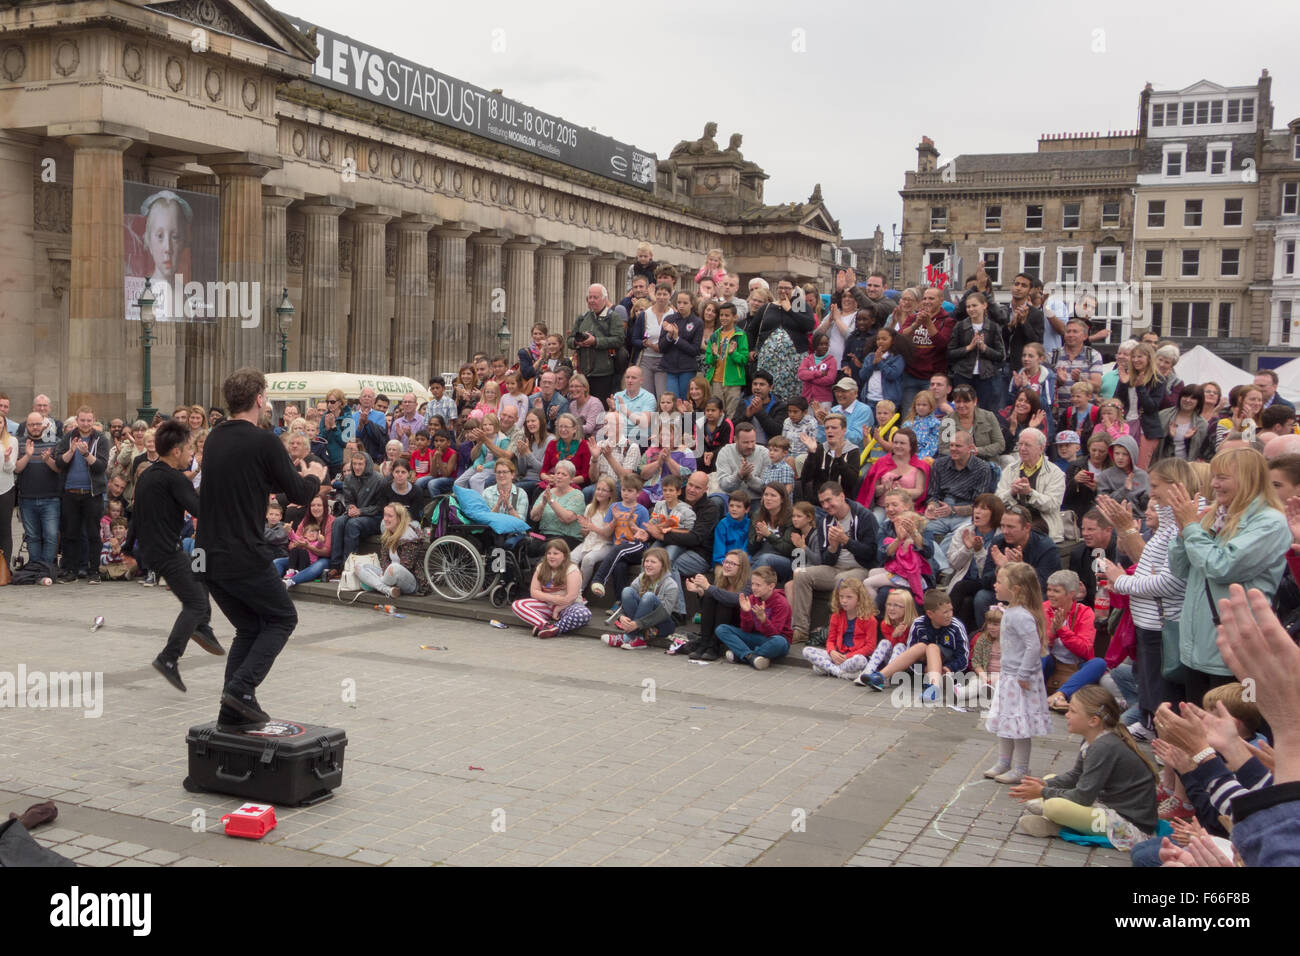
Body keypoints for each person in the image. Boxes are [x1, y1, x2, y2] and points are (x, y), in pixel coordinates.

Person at [197, 368, 326, 727]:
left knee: (250, 628)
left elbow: (252, 481)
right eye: (266, 396)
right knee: (283, 618)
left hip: (207, 556)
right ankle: (241, 690)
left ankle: (231, 713)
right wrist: (316, 473)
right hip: (242, 554)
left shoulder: (215, 438)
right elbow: (300, 495)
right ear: (258, 400)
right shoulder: (264, 441)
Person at [1167, 447, 1291, 705]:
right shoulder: (1215, 514)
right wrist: (1182, 533)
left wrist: (1191, 528)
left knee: (1231, 734)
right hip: (1197, 649)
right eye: (1213, 476)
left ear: (1247, 478)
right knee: (1202, 735)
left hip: (1234, 655)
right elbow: (1181, 570)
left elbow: (1221, 567)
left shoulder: (1270, 522)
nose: (1214, 484)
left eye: (1222, 477)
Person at [128, 419, 222, 690]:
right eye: (189, 450)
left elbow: (136, 515)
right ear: (176, 451)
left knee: (200, 575)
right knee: (195, 604)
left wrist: (128, 548)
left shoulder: (148, 474)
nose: (191, 455)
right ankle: (169, 658)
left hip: (155, 551)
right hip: (166, 552)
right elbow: (199, 509)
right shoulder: (173, 478)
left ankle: (202, 627)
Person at [1011, 686, 1159, 847]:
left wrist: (1042, 792)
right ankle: (1061, 821)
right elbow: (1076, 776)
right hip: (1107, 806)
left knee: (1054, 806)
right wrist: (1044, 784)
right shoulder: (1094, 739)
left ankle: (1059, 825)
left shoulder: (1103, 746)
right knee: (1049, 779)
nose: (1066, 715)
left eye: (1073, 711)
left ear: (1093, 721)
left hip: (1129, 826)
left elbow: (1083, 796)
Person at [980, 562, 1053, 782]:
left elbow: (1033, 646)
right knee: (1006, 720)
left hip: (1020, 678)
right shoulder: (1009, 611)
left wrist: (1023, 674)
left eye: (1000, 582)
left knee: (1020, 724)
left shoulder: (1021, 615)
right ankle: (1003, 761)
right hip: (1008, 675)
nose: (995, 585)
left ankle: (1021, 768)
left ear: (1016, 588)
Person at [787, 481, 879, 645]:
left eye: (829, 500)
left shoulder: (864, 516)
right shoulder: (825, 522)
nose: (826, 506)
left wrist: (846, 540)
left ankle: (834, 629)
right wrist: (833, 547)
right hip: (834, 567)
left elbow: (871, 553)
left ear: (842, 496)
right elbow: (826, 560)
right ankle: (800, 629)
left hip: (860, 568)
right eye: (822, 502)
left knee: (841, 580)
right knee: (800, 574)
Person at [861, 588, 969, 700]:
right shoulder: (919, 624)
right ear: (930, 614)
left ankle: (934, 688)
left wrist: (949, 668)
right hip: (926, 670)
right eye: (945, 612)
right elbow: (910, 653)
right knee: (921, 646)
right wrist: (923, 669)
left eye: (950, 610)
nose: (949, 615)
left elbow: (964, 658)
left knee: (932, 647)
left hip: (948, 671)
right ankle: (880, 677)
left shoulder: (956, 626)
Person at [972, 504, 1062, 632]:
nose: (1005, 531)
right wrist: (1000, 569)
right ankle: (989, 640)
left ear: (1026, 527)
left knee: (1043, 599)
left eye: (1010, 527)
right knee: (982, 597)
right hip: (1006, 591)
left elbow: (1044, 585)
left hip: (1030, 595)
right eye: (1002, 526)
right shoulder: (999, 542)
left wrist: (1021, 569)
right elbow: (985, 582)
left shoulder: (1046, 547)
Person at [511, 538, 592, 640]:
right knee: (518, 605)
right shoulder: (541, 567)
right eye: (549, 553)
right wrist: (553, 599)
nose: (551, 556)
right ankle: (545, 625)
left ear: (564, 556)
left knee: (584, 614)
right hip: (548, 604)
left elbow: (571, 597)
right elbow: (534, 592)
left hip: (568, 606)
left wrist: (557, 609)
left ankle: (555, 628)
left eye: (555, 553)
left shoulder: (572, 570)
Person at [996, 427, 1066, 542]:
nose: (1022, 449)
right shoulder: (1010, 469)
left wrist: (1030, 493)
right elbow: (998, 500)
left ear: (1041, 448)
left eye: (1027, 445)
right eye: (1020, 444)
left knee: (1022, 533)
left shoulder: (1055, 472)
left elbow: (1052, 504)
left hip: (1042, 520)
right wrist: (1011, 492)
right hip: (1012, 518)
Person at [716, 565, 792, 670]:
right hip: (755, 637)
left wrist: (764, 620)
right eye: (752, 584)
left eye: (758, 585)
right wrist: (746, 612)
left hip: (773, 640)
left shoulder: (781, 603)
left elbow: (774, 634)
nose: (754, 588)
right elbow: (746, 629)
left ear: (771, 586)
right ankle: (751, 657)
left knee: (779, 642)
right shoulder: (752, 599)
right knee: (722, 629)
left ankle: (742, 655)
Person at [679, 550, 750, 661]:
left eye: (732, 564)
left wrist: (708, 587)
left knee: (723, 600)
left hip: (739, 624)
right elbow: (709, 607)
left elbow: (736, 600)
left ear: (742, 568)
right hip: (720, 621)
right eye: (725, 562)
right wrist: (701, 592)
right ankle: (704, 643)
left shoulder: (748, 583)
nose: (727, 566)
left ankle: (714, 646)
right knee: (709, 596)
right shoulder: (722, 580)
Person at [602, 547, 678, 650]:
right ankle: (638, 638)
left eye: (653, 562)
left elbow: (664, 614)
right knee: (627, 591)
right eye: (647, 561)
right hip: (642, 624)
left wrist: (638, 623)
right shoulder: (641, 578)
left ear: (663, 565)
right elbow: (625, 603)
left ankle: (627, 637)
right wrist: (621, 616)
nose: (648, 564)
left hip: (661, 624)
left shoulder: (671, 585)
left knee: (648, 596)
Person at [588, 474, 649, 599]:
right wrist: (615, 521)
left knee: (619, 549)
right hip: (619, 549)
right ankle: (621, 601)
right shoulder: (614, 507)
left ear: (638, 493)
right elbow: (606, 533)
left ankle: (599, 579)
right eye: (624, 490)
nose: (626, 493)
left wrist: (634, 526)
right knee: (619, 565)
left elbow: (644, 536)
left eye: (630, 491)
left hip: (637, 548)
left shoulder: (642, 510)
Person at [328, 451, 386, 576]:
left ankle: (348, 565)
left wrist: (360, 511)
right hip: (355, 513)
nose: (357, 467)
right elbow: (348, 501)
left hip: (374, 517)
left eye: (360, 464)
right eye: (354, 464)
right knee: (337, 522)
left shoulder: (378, 479)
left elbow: (380, 507)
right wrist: (351, 507)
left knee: (352, 524)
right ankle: (335, 565)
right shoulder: (349, 479)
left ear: (367, 464)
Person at [897, 286, 954, 412]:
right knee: (909, 414)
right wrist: (915, 325)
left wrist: (928, 324)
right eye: (925, 298)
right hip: (910, 375)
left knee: (931, 414)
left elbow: (942, 345)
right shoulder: (913, 318)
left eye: (931, 298)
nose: (927, 301)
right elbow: (900, 338)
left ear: (941, 300)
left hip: (932, 378)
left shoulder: (947, 321)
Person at [947, 291, 1005, 412]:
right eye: (968, 306)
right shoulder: (960, 326)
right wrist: (969, 347)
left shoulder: (993, 327)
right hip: (963, 374)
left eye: (974, 305)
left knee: (986, 411)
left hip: (986, 376)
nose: (971, 309)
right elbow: (950, 353)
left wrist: (984, 348)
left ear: (984, 305)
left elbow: (1001, 356)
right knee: (962, 408)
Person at [571, 283, 627, 403]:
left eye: (595, 297)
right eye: (590, 297)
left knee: (601, 407)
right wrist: (577, 342)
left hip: (604, 372)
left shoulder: (613, 317)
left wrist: (596, 341)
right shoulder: (582, 318)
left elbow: (619, 340)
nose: (592, 300)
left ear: (604, 299)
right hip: (584, 372)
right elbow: (569, 340)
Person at [858, 427, 930, 517]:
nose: (897, 446)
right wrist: (883, 488)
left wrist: (903, 491)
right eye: (895, 442)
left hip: (908, 510)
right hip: (883, 507)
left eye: (902, 443)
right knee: (875, 521)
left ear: (911, 446)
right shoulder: (881, 462)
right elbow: (871, 491)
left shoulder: (921, 466)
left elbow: (920, 492)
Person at [355, 503, 423, 598]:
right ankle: (388, 590)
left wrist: (383, 576)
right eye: (385, 515)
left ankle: (375, 584)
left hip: (410, 582)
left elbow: (407, 566)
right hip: (389, 576)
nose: (385, 519)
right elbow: (384, 560)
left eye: (390, 516)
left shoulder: (410, 537)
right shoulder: (388, 534)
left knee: (394, 568)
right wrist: (385, 573)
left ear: (399, 519)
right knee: (359, 566)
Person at [796, 413, 860, 501]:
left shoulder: (853, 450)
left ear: (844, 430)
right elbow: (806, 478)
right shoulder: (819, 449)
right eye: (827, 428)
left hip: (841, 503)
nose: (829, 431)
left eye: (834, 428)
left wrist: (839, 458)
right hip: (819, 502)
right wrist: (811, 454)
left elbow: (852, 482)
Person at [938, 385, 1005, 463]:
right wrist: (963, 453)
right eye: (958, 402)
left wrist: (978, 451)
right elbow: (943, 449)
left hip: (986, 462)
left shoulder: (988, 416)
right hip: (957, 464)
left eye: (966, 401)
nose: (961, 405)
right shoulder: (947, 421)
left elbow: (1000, 444)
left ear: (975, 401)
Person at [747, 482, 796, 583]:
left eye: (773, 495)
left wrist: (768, 535)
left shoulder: (791, 517)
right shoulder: (757, 515)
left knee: (766, 558)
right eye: (766, 495)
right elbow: (751, 549)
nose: (768, 498)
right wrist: (758, 538)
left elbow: (788, 550)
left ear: (782, 499)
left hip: (785, 561)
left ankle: (745, 592)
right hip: (760, 557)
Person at [283, 496, 333, 588]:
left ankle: (290, 582)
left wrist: (307, 546)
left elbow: (327, 551)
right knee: (277, 562)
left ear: (325, 507)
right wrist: (290, 532)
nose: (316, 508)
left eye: (319, 505)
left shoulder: (331, 521)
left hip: (322, 559)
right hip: (302, 556)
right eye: (313, 505)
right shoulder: (306, 520)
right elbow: (291, 545)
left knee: (317, 566)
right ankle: (270, 583)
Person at [1096, 434, 1149, 514]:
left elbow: (1145, 506)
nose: (1120, 457)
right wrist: (1124, 490)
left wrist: (1147, 497)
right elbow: (1103, 503)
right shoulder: (1105, 475)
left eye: (1125, 454)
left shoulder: (1143, 476)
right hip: (1114, 519)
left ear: (1132, 455)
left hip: (1139, 519)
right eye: (1117, 453)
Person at [714, 422, 770, 496]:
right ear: (735, 439)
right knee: (716, 501)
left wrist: (750, 478)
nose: (750, 446)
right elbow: (723, 485)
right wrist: (739, 476)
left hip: (756, 499)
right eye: (745, 442)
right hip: (731, 498)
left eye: (752, 441)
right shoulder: (725, 452)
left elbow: (767, 487)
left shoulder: (764, 453)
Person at [859, 328, 906, 416]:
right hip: (869, 399)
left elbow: (892, 374)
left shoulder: (897, 358)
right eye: (878, 339)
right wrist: (873, 363)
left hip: (888, 402)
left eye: (884, 339)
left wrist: (880, 362)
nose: (880, 341)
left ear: (892, 341)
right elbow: (863, 375)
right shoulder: (870, 356)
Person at [733, 370, 786, 445]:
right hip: (745, 447)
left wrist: (759, 411)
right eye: (755, 384)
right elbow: (734, 428)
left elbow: (777, 431)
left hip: (769, 449)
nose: (757, 388)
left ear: (771, 387)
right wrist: (747, 416)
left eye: (762, 385)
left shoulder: (779, 405)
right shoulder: (744, 402)